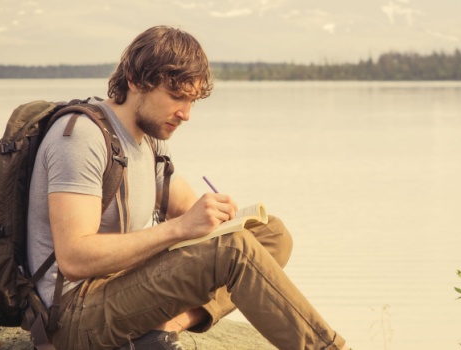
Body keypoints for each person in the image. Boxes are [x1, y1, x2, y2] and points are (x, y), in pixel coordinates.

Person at [26, 25, 348, 350]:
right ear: (136, 81)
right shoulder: (82, 138)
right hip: (72, 317)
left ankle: (165, 329)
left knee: (270, 234)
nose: (186, 114)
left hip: (124, 289)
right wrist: (181, 228)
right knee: (232, 250)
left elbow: (189, 210)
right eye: (177, 97)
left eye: (192, 100)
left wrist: (218, 217)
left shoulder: (150, 140)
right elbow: (75, 259)